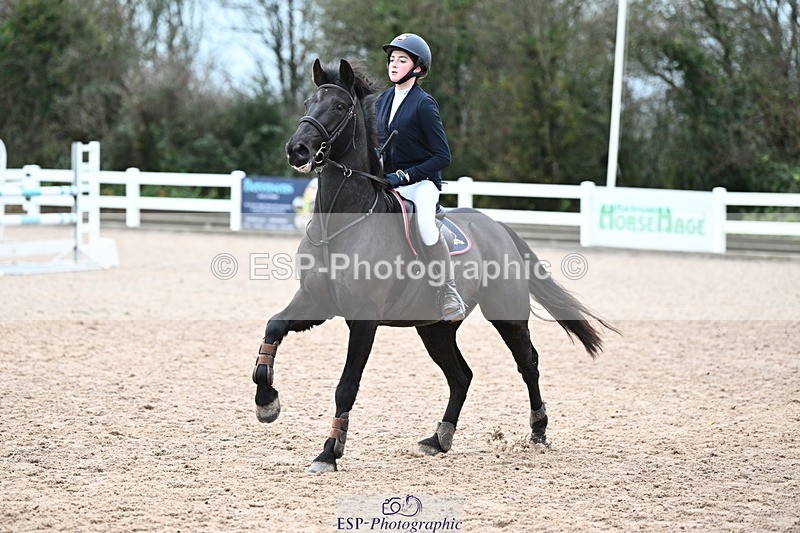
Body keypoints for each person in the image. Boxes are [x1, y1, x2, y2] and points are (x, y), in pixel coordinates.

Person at [376, 33, 466, 322]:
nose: (393, 64)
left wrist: (405, 175)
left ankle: (448, 291)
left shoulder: (424, 104)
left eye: (402, 60)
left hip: (420, 184)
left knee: (427, 226)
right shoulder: (382, 100)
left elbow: (442, 156)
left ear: (417, 68)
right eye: (391, 59)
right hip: (387, 180)